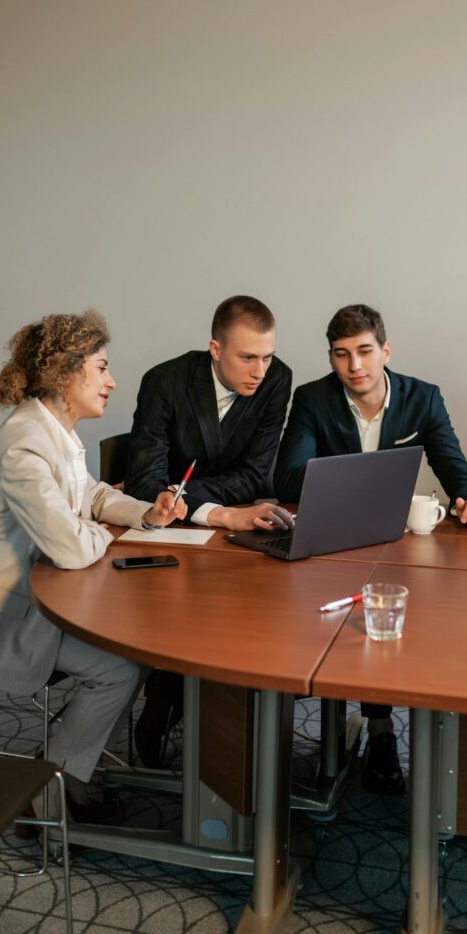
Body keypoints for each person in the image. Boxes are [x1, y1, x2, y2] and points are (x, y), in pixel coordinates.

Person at [0, 309, 186, 821]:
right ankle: (48, 787)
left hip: (39, 596)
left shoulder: (55, 429)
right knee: (120, 667)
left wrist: (146, 515)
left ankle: (68, 765)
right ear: (68, 374)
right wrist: (98, 531)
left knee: (132, 652)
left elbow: (89, 495)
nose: (112, 381)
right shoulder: (25, 442)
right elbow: (71, 548)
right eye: (102, 368)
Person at [275, 303, 467, 794]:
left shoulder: (423, 398)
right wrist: (357, 477)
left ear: (385, 351)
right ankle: (343, 728)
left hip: (394, 546)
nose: (355, 366)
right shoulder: (312, 399)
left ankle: (380, 729)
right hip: (330, 544)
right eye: (342, 355)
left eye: (365, 352)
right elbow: (287, 476)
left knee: (395, 621)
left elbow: (453, 466)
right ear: (331, 358)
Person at [124, 294, 293, 766]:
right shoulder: (165, 382)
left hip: (233, 526)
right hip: (166, 532)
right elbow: (142, 483)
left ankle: (220, 716)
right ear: (215, 350)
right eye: (247, 358)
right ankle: (165, 690)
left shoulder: (278, 380)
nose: (260, 370)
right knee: (186, 604)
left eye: (267, 356)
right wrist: (216, 511)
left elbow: (259, 475)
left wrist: (199, 501)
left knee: (255, 611)